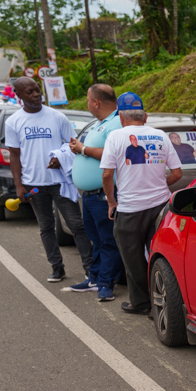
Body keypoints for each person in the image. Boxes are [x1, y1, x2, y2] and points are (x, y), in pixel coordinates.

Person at [99, 91, 183, 315]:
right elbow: (177, 173)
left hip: (130, 210)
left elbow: (107, 175)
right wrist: (159, 183)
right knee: (160, 254)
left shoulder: (116, 137)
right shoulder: (161, 136)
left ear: (121, 118)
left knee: (132, 258)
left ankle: (142, 304)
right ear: (144, 116)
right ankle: (164, 300)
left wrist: (111, 202)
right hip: (160, 207)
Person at [6, 76, 94, 283]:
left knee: (76, 225)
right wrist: (19, 185)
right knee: (46, 227)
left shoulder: (57, 117)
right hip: (34, 185)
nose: (36, 94)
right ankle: (57, 267)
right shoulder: (13, 122)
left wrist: (60, 158)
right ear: (19, 96)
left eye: (37, 89)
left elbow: (73, 144)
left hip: (60, 182)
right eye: (30, 92)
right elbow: (15, 156)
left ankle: (90, 269)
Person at [68, 84, 124, 302]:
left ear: (96, 102)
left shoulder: (116, 122)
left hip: (104, 194)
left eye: (88, 99)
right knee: (97, 238)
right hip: (91, 195)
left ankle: (105, 284)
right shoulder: (100, 124)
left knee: (108, 239)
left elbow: (113, 153)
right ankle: (96, 277)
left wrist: (82, 149)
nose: (87, 103)